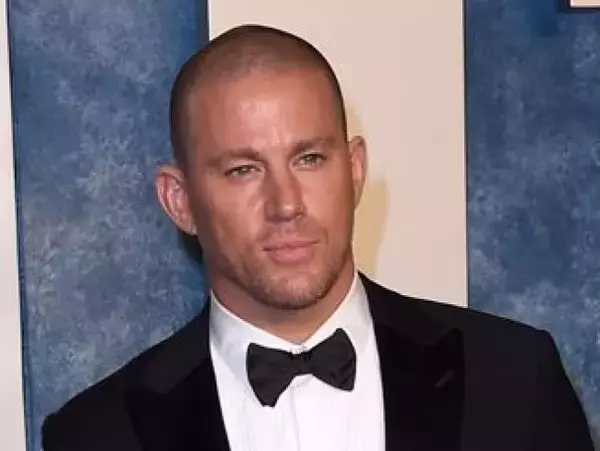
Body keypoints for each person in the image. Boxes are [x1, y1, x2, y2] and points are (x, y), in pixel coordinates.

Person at [42, 24, 594, 451]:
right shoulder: (96, 435)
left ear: (354, 171)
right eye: (243, 170)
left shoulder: (514, 379)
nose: (286, 204)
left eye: (309, 159)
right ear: (179, 201)